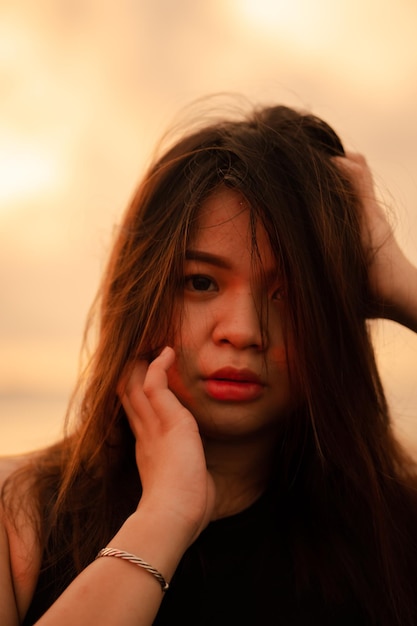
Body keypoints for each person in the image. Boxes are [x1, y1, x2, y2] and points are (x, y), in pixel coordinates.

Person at [1, 102, 417, 626]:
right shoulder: (16, 517)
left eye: (287, 292)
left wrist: (401, 283)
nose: (241, 331)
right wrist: (163, 517)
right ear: (141, 293)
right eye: (201, 282)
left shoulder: (394, 534)